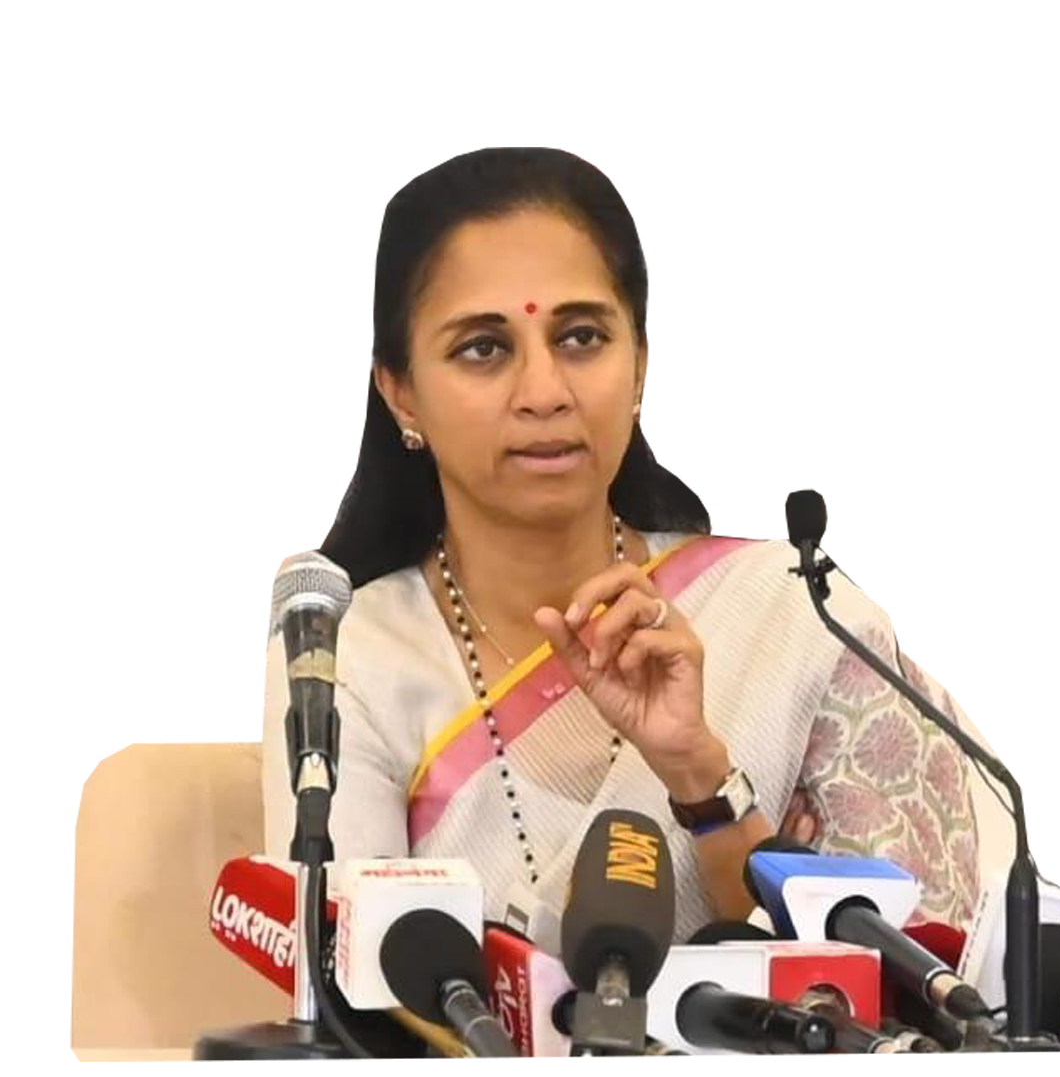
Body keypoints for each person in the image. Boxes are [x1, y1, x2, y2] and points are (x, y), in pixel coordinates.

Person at [262, 148, 981, 944]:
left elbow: (923, 978)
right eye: (483, 348)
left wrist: (700, 776)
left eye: (580, 337)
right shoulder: (348, 662)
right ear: (402, 394)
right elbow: (346, 982)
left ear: (638, 365)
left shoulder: (803, 625)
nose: (544, 393)